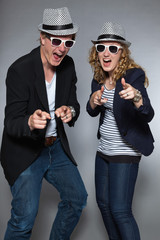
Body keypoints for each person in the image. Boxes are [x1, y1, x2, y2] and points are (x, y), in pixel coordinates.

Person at [0, 7, 87, 240]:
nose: (61, 49)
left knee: (77, 199)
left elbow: (73, 103)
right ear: (43, 38)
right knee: (24, 220)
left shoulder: (68, 67)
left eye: (68, 43)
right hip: (26, 152)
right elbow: (11, 123)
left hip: (55, 147)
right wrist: (29, 121)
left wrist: (71, 111)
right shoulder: (20, 70)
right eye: (56, 41)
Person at [86, 22, 154, 240]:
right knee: (104, 206)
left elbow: (148, 113)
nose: (106, 53)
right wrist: (93, 101)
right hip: (103, 151)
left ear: (121, 52)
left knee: (120, 211)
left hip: (124, 152)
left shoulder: (132, 76)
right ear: (96, 52)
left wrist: (135, 96)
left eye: (112, 48)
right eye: (101, 48)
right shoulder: (98, 79)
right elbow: (91, 111)